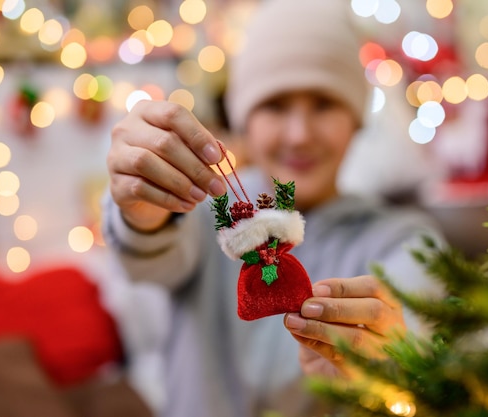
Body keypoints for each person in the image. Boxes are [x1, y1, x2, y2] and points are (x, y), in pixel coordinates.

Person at [102, 0, 444, 416]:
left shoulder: (406, 243)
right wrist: (142, 209)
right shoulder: (206, 213)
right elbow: (147, 261)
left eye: (323, 103)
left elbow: (423, 346)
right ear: (244, 120)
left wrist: (391, 366)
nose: (299, 135)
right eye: (275, 105)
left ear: (356, 119)